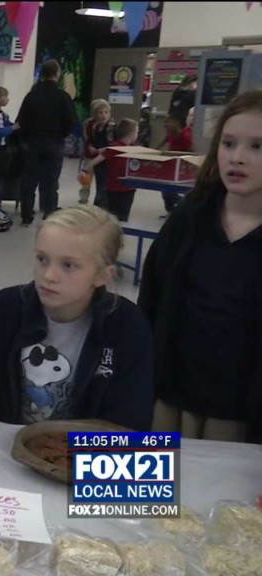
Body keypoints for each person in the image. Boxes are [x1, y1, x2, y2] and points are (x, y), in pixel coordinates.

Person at [139, 90, 262, 443]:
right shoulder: (190, 219)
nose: (237, 158)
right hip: (173, 398)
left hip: (241, 414)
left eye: (257, 146)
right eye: (228, 143)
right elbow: (151, 300)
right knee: (156, 480)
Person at [0, 206, 154, 431]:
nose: (49, 276)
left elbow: (130, 418)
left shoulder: (128, 327)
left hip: (87, 448)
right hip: (2, 442)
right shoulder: (2, 311)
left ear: (102, 275)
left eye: (68, 265)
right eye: (42, 259)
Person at [16, 60, 78, 226]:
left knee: (29, 181)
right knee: (51, 181)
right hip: (54, 143)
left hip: (33, 144)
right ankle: (49, 212)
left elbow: (21, 121)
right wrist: (61, 135)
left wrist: (26, 138)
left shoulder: (31, 96)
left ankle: (26, 216)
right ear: (57, 73)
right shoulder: (62, 96)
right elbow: (71, 121)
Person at [80, 118, 139, 222]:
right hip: (114, 189)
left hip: (129, 189)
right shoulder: (114, 148)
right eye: (137, 132)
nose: (138, 135)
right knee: (113, 217)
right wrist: (85, 172)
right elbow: (94, 162)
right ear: (131, 133)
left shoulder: (134, 148)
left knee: (122, 218)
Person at [80, 99, 115, 207]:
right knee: (85, 179)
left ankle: (100, 203)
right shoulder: (89, 124)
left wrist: (99, 150)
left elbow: (112, 144)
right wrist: (89, 146)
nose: (103, 115)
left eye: (106, 112)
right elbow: (86, 138)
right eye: (100, 113)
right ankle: (83, 199)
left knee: (102, 182)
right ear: (95, 113)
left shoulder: (111, 127)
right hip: (90, 155)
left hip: (102, 158)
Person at [158, 114, 195, 214]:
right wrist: (156, 151)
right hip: (170, 165)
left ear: (176, 123)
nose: (164, 125)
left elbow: (192, 152)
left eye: (167, 122)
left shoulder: (186, 136)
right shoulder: (171, 133)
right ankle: (171, 211)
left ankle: (184, 208)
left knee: (170, 192)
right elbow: (166, 139)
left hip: (180, 167)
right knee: (164, 190)